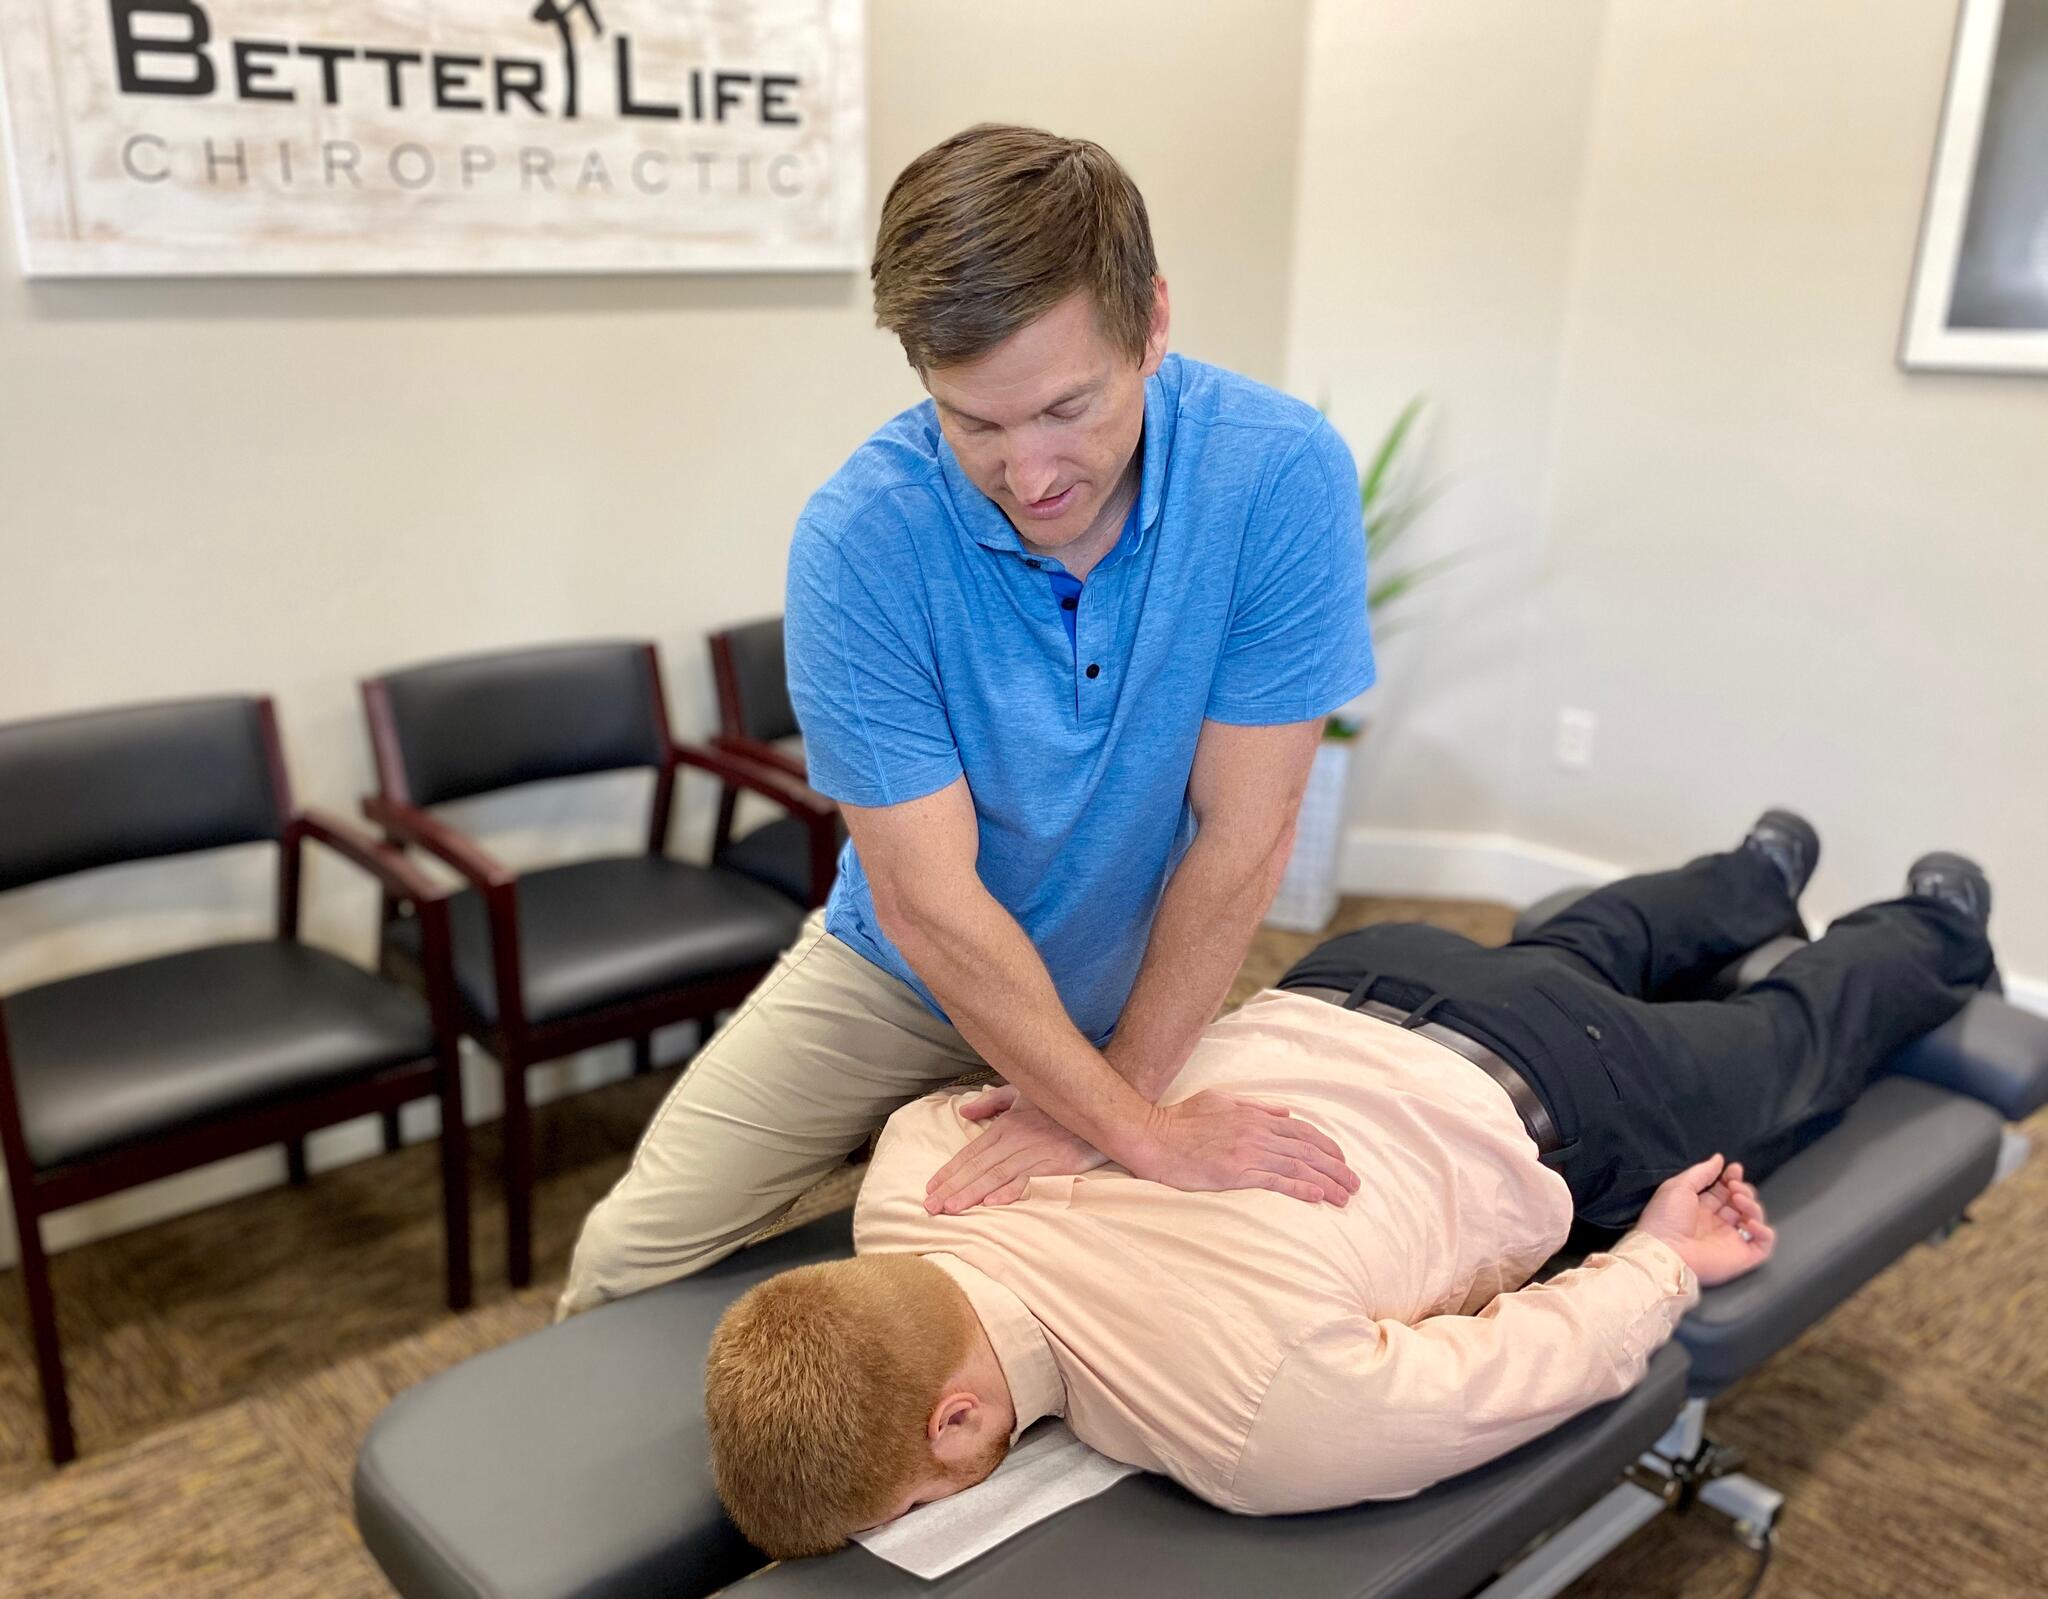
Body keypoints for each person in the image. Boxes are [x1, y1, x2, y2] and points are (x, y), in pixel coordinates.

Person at [560, 123, 1375, 1318]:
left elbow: (1245, 832)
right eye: (974, 425)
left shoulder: (1275, 474)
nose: (1029, 474)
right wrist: (1128, 1127)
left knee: (1128, 1301)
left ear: (1150, 323)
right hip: (905, 973)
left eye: (1065, 408)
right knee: (621, 1266)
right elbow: (926, 903)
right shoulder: (862, 539)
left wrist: (1118, 1105)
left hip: (1140, 972)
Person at [701, 816, 1996, 1557]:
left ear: (955, 1420)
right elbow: (965, 1102)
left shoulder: (1248, 1420)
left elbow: (1520, 1366)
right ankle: (1755, 870)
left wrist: (1660, 1255)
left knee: (1791, 1046)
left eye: (920, 1500)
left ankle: (1933, 924)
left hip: (1567, 1083)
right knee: (1572, 940)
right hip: (1357, 973)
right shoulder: (911, 1181)